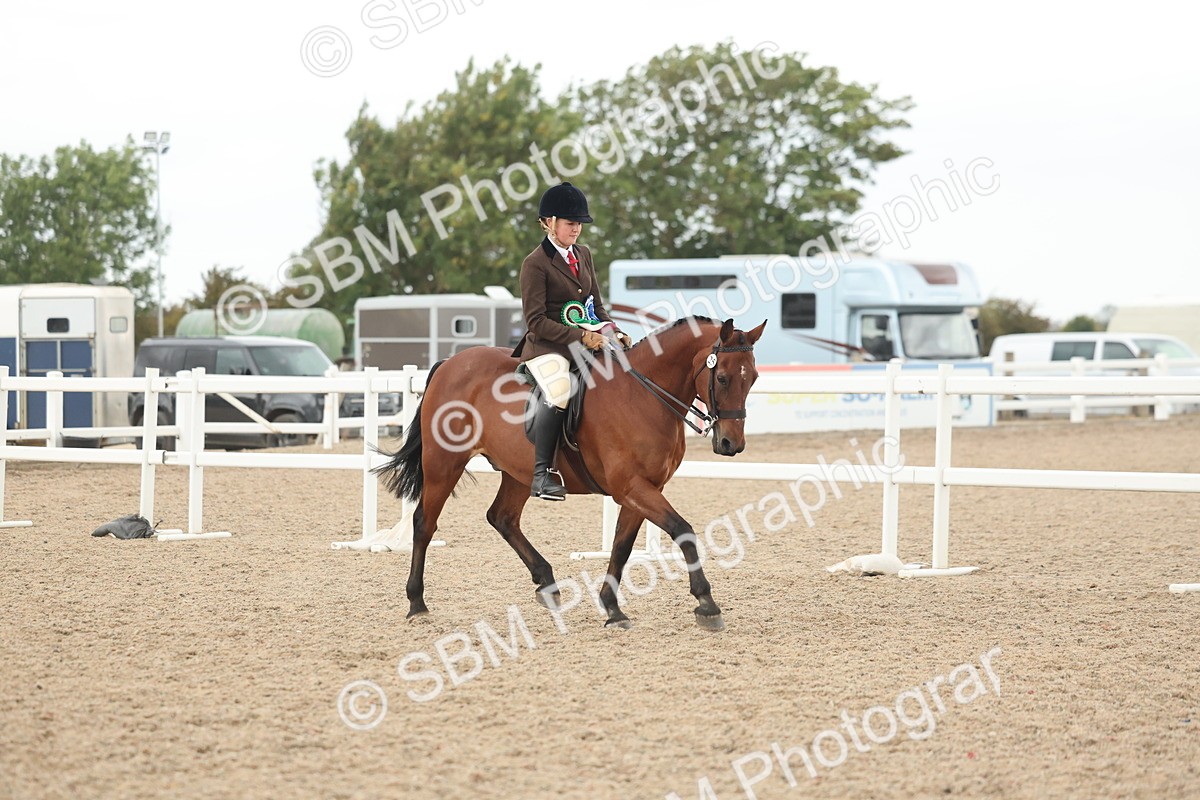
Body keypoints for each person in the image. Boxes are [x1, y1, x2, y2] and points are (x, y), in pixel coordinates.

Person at [513, 182, 631, 501]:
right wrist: (582, 335)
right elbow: (535, 321)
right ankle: (542, 474)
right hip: (547, 347)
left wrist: (612, 331)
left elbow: (596, 304)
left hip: (589, 341)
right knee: (561, 389)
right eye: (570, 223)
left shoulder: (584, 254)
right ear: (548, 223)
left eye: (579, 223)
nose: (576, 229)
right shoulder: (535, 264)